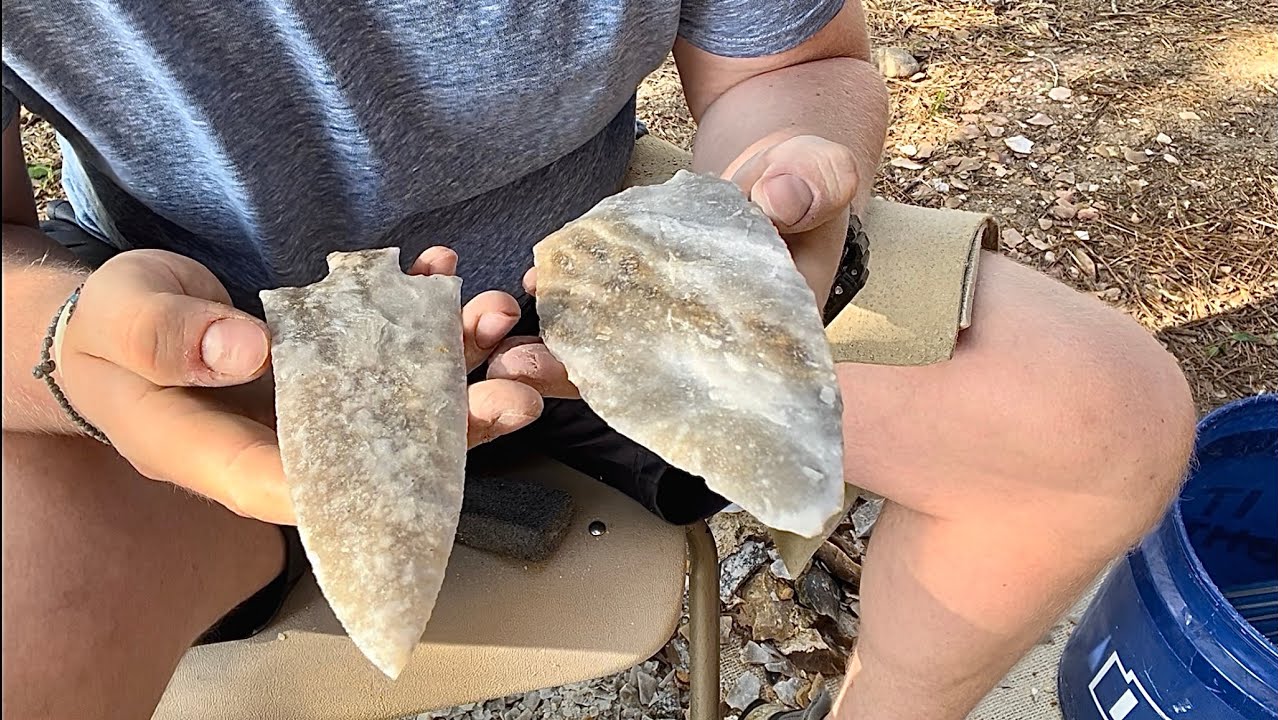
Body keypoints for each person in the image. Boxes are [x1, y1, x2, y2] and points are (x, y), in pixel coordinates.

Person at [1, 2, 1195, 718]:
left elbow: (794, 63)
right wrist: (69, 351)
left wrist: (771, 203)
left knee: (1089, 422)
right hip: (209, 345)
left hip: (627, 292)